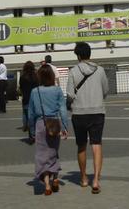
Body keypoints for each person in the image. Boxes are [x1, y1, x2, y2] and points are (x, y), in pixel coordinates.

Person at [67, 41, 109, 194]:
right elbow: (105, 91)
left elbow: (70, 94)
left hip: (79, 113)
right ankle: (96, 180)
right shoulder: (100, 70)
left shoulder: (73, 71)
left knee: (81, 145)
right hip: (97, 111)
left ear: (78, 55)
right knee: (97, 145)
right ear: (89, 54)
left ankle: (84, 178)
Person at [27, 64, 68, 195]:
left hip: (40, 124)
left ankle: (47, 185)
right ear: (51, 76)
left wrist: (32, 131)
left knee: (42, 155)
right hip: (54, 124)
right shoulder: (57, 90)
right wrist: (65, 126)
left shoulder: (35, 91)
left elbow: (31, 113)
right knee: (53, 152)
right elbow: (63, 109)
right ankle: (55, 178)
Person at [19, 61, 39, 140]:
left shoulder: (22, 77)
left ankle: (26, 127)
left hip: (26, 98)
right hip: (35, 98)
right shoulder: (36, 76)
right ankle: (34, 133)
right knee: (35, 117)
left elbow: (20, 87)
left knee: (26, 114)